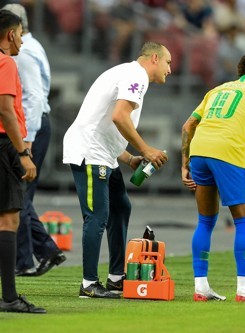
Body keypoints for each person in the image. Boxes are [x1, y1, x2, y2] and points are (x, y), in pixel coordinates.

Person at [63, 41, 171, 298]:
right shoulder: (136, 76)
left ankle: (116, 278)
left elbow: (102, 120)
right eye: (168, 62)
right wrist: (146, 150)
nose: (170, 69)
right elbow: (119, 116)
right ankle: (89, 284)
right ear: (154, 58)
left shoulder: (126, 73)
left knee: (121, 207)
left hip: (104, 153)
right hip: (90, 153)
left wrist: (129, 158)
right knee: (97, 216)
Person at [181, 51, 245, 302]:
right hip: (228, 152)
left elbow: (187, 126)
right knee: (244, 222)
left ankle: (201, 287)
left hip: (199, 151)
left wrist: (185, 164)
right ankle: (244, 290)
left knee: (205, 221)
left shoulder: (217, 89)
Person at [2, 3, 66, 277]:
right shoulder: (30, 47)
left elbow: (35, 99)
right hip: (29, 127)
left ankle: (25, 258)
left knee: (19, 196)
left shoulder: (23, 54)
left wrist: (25, 142)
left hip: (28, 129)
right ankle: (40, 252)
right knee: (19, 196)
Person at [0, 9, 45, 314]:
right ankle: (10, 298)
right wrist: (23, 153)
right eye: (20, 34)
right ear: (12, 34)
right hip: (5, 146)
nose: (21, 41)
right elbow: (6, 109)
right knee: (8, 220)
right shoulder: (5, 62)